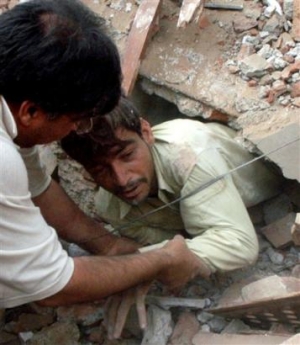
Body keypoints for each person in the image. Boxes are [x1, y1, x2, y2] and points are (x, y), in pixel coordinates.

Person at [0, 0, 202, 325]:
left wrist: (109, 246)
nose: (75, 130)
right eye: (78, 121)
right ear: (31, 112)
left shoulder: (11, 108)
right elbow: (55, 286)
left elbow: (38, 188)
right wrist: (161, 259)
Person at [61, 96, 282, 278]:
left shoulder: (189, 157)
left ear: (146, 133)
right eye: (100, 170)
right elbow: (171, 242)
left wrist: (138, 265)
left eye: (127, 156)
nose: (121, 179)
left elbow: (240, 244)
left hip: (278, 181)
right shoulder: (111, 208)